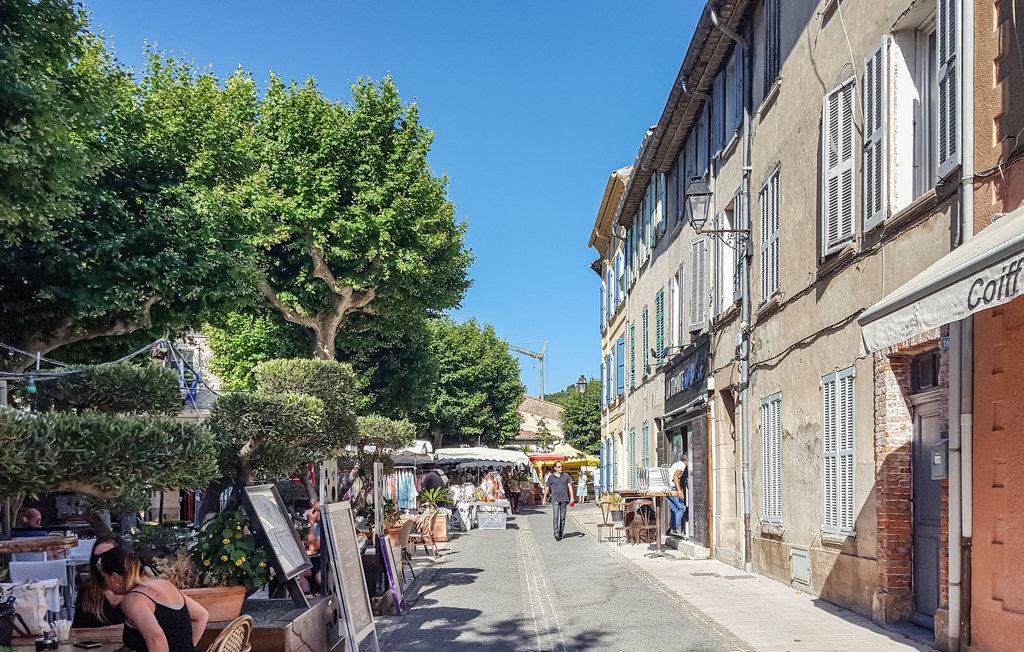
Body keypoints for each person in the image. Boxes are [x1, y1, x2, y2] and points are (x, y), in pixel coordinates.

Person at [97, 547, 208, 652]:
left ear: (115, 577)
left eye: (104, 577)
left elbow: (156, 637)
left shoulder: (133, 600)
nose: (105, 583)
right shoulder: (165, 584)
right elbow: (201, 615)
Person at [73, 537, 126, 628]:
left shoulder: (135, 589)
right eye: (96, 557)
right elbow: (78, 629)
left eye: (106, 557)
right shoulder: (87, 591)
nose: (99, 562)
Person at [541, 462, 574, 541]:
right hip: (555, 499)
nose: (560, 468)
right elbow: (547, 487)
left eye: (561, 467)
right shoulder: (551, 477)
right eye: (559, 467)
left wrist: (572, 497)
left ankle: (561, 532)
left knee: (562, 517)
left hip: (564, 499)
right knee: (556, 516)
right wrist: (544, 498)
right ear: (555, 468)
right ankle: (556, 532)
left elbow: (569, 486)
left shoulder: (566, 476)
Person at [666, 454, 689, 537]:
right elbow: (675, 477)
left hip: (667, 488)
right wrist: (679, 491)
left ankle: (672, 529)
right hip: (672, 488)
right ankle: (674, 528)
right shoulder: (682, 465)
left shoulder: (676, 464)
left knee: (674, 509)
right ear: (686, 459)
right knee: (681, 508)